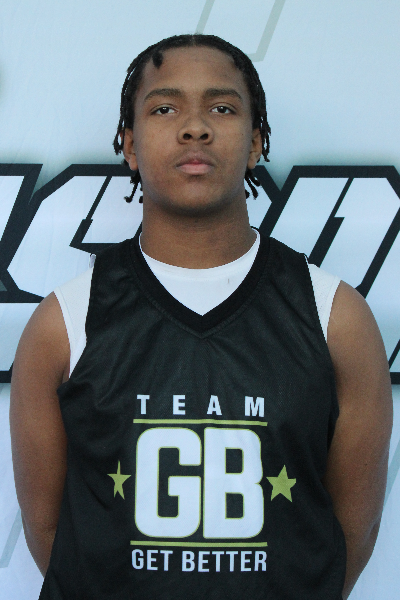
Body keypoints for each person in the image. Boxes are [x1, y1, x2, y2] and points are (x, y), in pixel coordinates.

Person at [10, 34, 392, 600]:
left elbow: (349, 538)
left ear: (256, 143)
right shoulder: (62, 323)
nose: (195, 128)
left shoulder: (336, 317)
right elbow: (50, 535)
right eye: (165, 109)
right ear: (130, 145)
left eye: (222, 108)